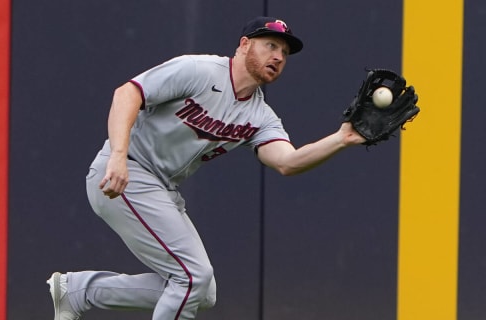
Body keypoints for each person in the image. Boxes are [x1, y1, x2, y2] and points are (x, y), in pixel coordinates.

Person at [46, 16, 367, 320]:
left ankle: (77, 292)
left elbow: (287, 161)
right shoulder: (199, 70)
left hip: (162, 188)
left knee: (202, 291)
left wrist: (341, 138)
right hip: (126, 173)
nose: (279, 56)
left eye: (284, 52)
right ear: (244, 44)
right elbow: (127, 93)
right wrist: (117, 154)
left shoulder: (261, 116)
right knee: (192, 278)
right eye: (270, 45)